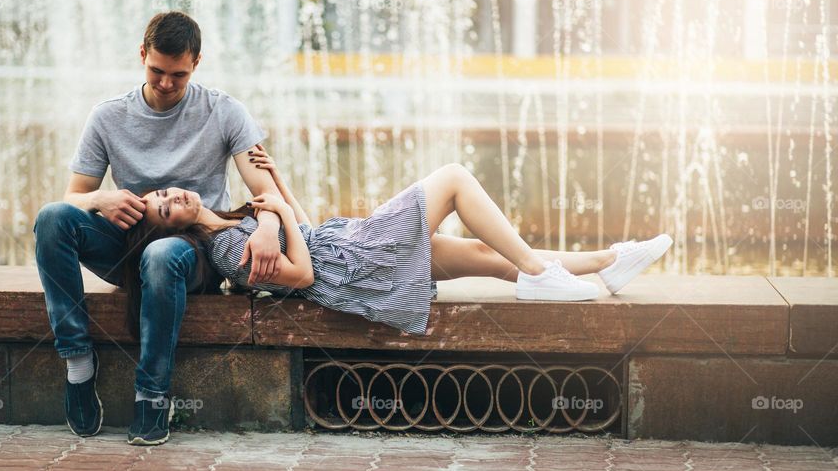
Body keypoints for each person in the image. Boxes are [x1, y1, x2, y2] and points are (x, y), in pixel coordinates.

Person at [33, 11, 285, 446]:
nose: (167, 83)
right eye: (157, 71)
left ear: (197, 63)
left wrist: (266, 228)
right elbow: (72, 196)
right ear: (142, 54)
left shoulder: (224, 111)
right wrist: (101, 199)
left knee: (162, 253)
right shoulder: (108, 117)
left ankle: (152, 394)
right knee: (52, 219)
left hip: (195, 247)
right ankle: (77, 364)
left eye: (179, 75)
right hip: (129, 240)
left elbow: (265, 190)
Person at [131, 146, 673, 342]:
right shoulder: (223, 251)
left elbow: (303, 226)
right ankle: (543, 271)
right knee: (455, 178)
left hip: (343, 244)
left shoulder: (230, 218)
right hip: (353, 261)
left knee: (488, 257)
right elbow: (302, 276)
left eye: (164, 192)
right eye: (164, 209)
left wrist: (280, 193)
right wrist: (274, 215)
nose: (171, 197)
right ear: (174, 228)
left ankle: (609, 262)